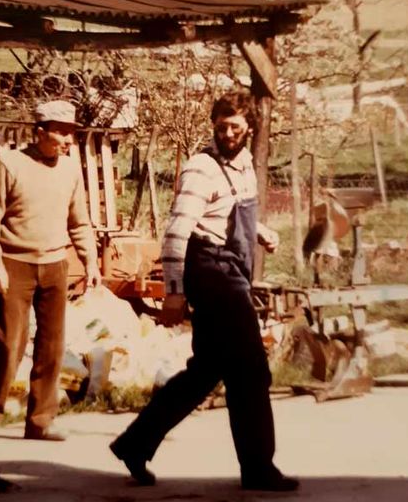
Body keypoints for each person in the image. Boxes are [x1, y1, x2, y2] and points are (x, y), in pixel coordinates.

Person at [109, 90, 299, 492]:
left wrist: (260, 231)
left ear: (250, 127)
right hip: (212, 273)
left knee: (206, 371)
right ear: (214, 124)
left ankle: (135, 444)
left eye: (235, 127)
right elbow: (177, 232)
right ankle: (258, 468)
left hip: (230, 267)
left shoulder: (245, 167)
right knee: (251, 371)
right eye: (222, 126)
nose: (227, 133)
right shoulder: (201, 168)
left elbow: (222, 214)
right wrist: (174, 291)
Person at [0, 99, 100, 442]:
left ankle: (41, 420)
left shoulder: (70, 170)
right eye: (61, 132)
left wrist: (90, 261)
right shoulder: (11, 164)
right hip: (15, 264)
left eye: (71, 133)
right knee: (10, 342)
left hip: (55, 265)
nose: (68, 140)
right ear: (39, 132)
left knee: (52, 345)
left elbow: (79, 221)